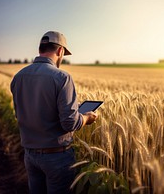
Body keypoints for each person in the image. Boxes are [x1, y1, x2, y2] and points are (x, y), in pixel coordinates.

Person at [10, 31, 98, 194]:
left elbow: (21, 114)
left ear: (40, 49)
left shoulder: (18, 77)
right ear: (60, 51)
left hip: (30, 155)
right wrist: (86, 117)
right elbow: (69, 123)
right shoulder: (62, 77)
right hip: (56, 157)